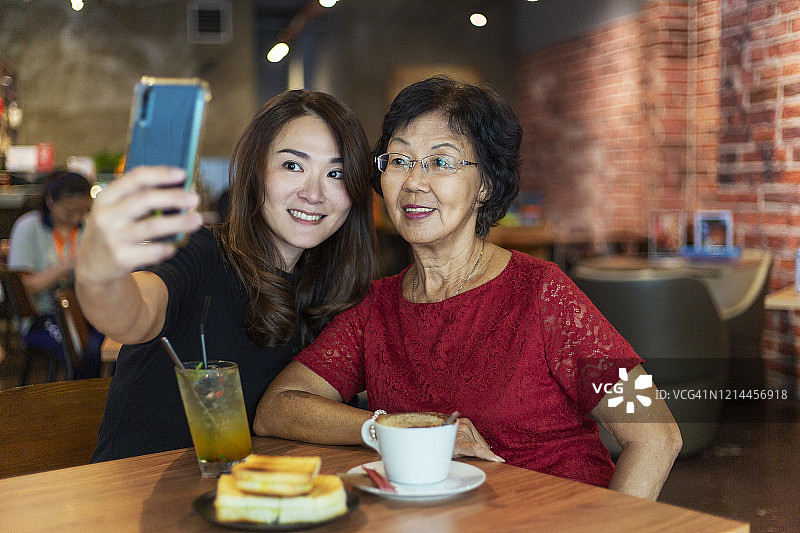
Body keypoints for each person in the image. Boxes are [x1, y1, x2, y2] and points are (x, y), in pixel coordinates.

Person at [253, 76, 682, 500]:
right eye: (399, 160)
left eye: (441, 162)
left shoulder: (543, 295)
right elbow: (278, 407)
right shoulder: (376, 307)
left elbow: (656, 436)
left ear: (486, 185)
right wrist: (398, 428)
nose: (414, 182)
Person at [76, 89, 376, 461]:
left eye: (336, 173)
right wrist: (98, 270)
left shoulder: (337, 294)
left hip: (250, 504)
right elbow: (134, 315)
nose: (314, 193)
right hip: (135, 503)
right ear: (255, 171)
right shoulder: (200, 253)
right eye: (293, 166)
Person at [8, 170, 104, 379]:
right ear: (51, 201)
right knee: (84, 349)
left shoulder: (87, 227)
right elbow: (24, 288)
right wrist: (69, 265)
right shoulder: (29, 227)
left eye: (84, 211)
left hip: (87, 308)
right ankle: (80, 406)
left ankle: (105, 403)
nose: (78, 218)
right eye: (70, 212)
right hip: (42, 316)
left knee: (127, 341)